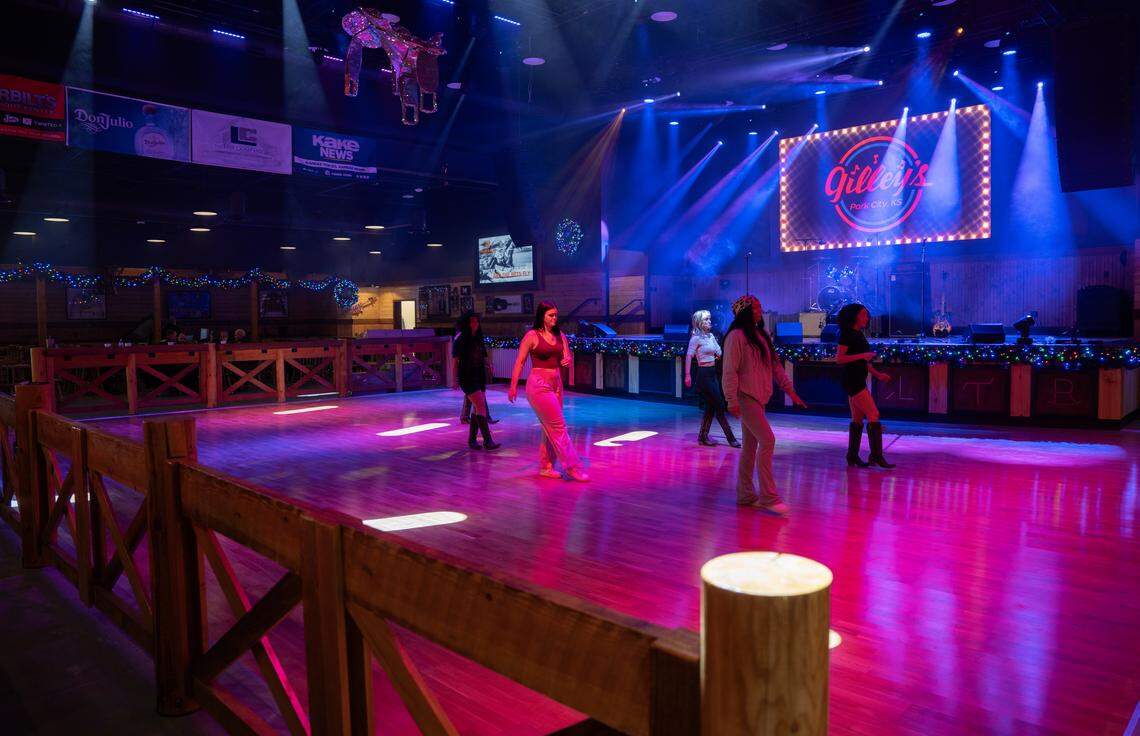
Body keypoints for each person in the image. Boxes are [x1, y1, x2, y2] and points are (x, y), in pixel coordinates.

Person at [722, 295, 808, 514]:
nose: (760, 311)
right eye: (756, 308)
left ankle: (745, 494)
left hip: (758, 399)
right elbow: (729, 371)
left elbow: (776, 367)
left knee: (750, 448)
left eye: (760, 306)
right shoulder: (736, 336)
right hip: (745, 397)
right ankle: (769, 497)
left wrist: (792, 392)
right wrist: (731, 399)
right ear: (744, 312)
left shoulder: (761, 335)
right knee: (768, 440)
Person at [508, 301, 589, 482]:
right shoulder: (532, 335)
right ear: (542, 316)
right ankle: (573, 468)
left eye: (555, 315)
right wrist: (513, 386)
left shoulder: (560, 335)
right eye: (551, 315)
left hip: (557, 383)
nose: (554, 318)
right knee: (558, 426)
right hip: (539, 384)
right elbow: (520, 362)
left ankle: (546, 466)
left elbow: (567, 356)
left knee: (549, 427)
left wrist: (568, 360)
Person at [835, 303, 894, 468]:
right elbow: (839, 359)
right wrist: (863, 355)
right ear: (854, 317)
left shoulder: (857, 334)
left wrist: (877, 374)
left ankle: (852, 456)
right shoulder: (847, 334)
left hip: (856, 379)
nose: (866, 318)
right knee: (873, 414)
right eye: (863, 315)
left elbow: (862, 360)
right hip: (853, 381)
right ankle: (876, 456)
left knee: (857, 419)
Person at [684, 310, 740, 447]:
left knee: (711, 406)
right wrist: (687, 375)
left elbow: (719, 352)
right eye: (706, 320)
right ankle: (731, 438)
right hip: (703, 374)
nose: (710, 321)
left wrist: (715, 354)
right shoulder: (695, 338)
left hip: (713, 373)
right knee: (719, 405)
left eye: (710, 319)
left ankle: (703, 437)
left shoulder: (711, 337)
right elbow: (688, 356)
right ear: (699, 323)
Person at [453, 311, 500, 450]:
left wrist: (489, 364)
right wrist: (454, 380)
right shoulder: (461, 340)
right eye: (472, 322)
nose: (475, 324)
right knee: (481, 406)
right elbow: (455, 362)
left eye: (476, 322)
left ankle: (472, 440)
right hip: (466, 376)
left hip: (479, 375)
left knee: (477, 407)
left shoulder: (478, 338)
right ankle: (487, 440)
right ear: (467, 324)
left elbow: (483, 355)